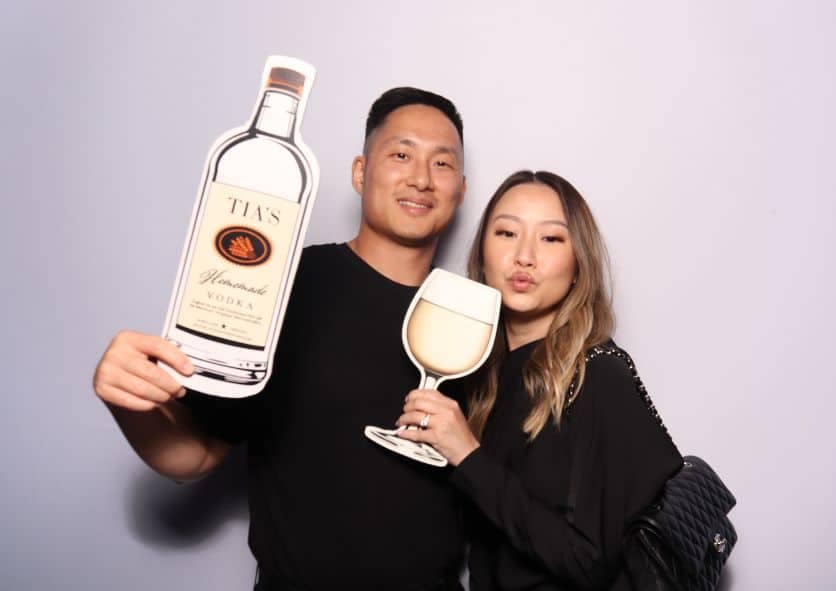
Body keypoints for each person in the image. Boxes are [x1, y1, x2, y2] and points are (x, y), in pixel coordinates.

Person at [93, 88, 469, 590]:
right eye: (401, 154)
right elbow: (193, 456)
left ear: (460, 190)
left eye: (441, 163)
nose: (421, 178)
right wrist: (127, 401)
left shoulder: (473, 318)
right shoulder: (284, 284)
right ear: (361, 172)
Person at [395, 170, 683, 590]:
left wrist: (468, 456)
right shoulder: (485, 373)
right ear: (483, 252)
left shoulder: (598, 375)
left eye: (551, 239)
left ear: (578, 262)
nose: (524, 256)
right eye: (506, 233)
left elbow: (588, 561)